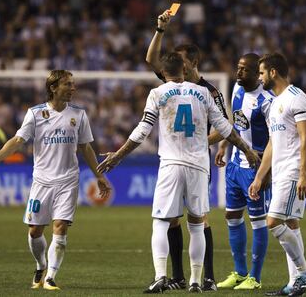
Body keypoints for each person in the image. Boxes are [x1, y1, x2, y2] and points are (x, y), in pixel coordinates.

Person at [97, 52, 260, 293]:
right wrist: (247, 150)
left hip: (171, 164)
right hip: (198, 166)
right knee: (197, 224)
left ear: (163, 73)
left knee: (161, 222)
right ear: (184, 70)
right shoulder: (203, 93)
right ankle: (196, 281)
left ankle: (161, 277)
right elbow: (225, 128)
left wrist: (118, 156)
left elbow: (142, 130)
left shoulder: (158, 93)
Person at [0, 70, 111, 290]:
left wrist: (99, 175)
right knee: (35, 230)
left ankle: (51, 276)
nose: (73, 88)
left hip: (68, 180)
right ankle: (41, 265)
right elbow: (18, 140)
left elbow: (86, 147)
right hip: (42, 181)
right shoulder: (35, 114)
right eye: (68, 84)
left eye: (73, 84)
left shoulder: (79, 115)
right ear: (53, 88)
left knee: (60, 226)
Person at [145, 9, 228, 291]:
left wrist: (203, 142)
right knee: (171, 221)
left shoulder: (209, 91)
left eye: (180, 60)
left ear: (192, 62)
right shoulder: (171, 85)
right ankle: (178, 277)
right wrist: (160, 30)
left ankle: (207, 277)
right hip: (175, 160)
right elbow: (151, 59)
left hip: (195, 160)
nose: (174, 64)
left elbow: (224, 125)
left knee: (200, 218)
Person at [249, 53, 306, 296]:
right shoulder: (274, 103)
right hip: (279, 172)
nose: (259, 77)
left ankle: (304, 273)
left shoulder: (297, 98)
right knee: (290, 223)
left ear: (273, 72)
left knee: (273, 221)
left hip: (292, 171)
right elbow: (272, 144)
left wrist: (303, 175)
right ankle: (293, 283)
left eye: (261, 72)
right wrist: (259, 177)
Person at [213, 53, 274, 290]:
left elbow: (275, 138)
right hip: (235, 165)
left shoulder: (266, 101)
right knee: (232, 217)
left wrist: (265, 173)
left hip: (255, 168)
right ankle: (239, 272)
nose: (238, 72)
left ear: (256, 74)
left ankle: (254, 278)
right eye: (237, 68)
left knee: (258, 222)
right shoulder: (237, 91)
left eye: (244, 69)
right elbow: (234, 122)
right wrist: (222, 145)